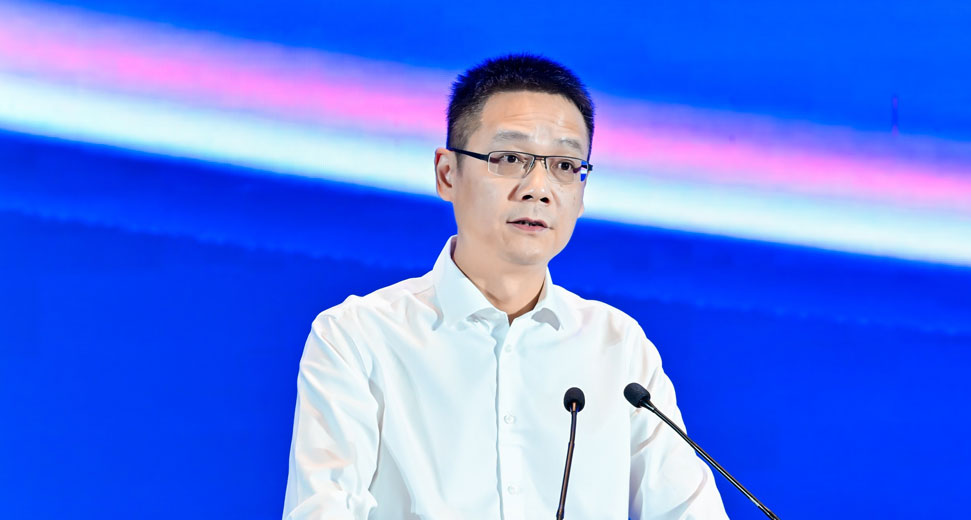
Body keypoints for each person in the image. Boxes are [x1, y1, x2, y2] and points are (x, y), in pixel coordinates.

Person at [283, 54, 729, 519]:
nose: (538, 188)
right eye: (511, 159)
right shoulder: (358, 337)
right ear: (447, 173)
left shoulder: (618, 347)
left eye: (564, 165)